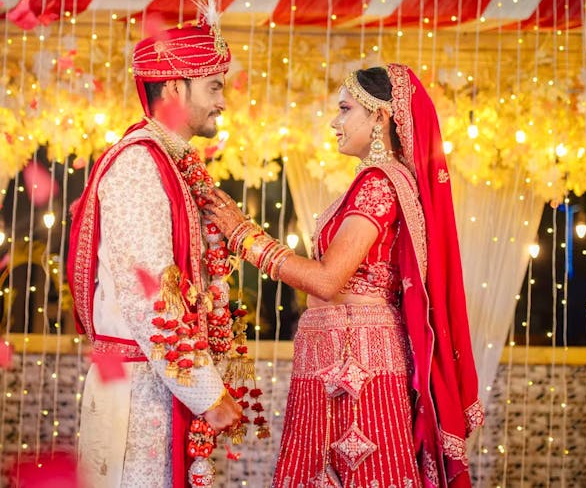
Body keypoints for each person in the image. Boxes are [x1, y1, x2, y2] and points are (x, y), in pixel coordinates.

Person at [203, 64, 483, 488]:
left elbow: (328, 280)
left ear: (379, 117)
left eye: (345, 109)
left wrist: (243, 235)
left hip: (357, 364)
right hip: (337, 354)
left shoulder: (379, 184)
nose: (335, 121)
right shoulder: (373, 183)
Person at [67, 0, 265, 488]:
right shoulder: (139, 164)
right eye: (214, 86)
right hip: (136, 393)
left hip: (157, 383)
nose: (223, 101)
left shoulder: (173, 163)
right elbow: (149, 293)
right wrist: (208, 394)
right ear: (175, 87)